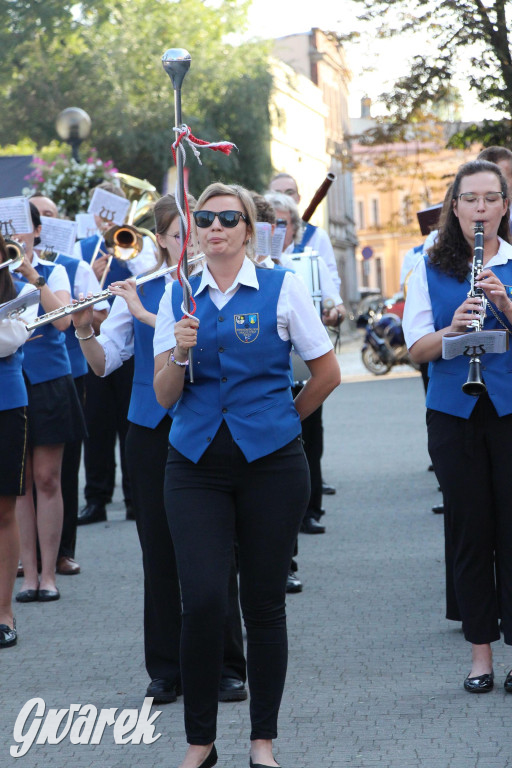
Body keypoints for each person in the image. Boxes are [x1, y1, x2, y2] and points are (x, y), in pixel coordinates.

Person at [153, 182, 340, 768]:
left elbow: (327, 372)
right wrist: (180, 353)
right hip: (195, 466)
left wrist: (282, 420)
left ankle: (263, 742)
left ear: (248, 229)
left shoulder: (282, 289)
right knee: (204, 599)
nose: (213, 227)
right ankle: (200, 743)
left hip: (273, 468)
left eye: (227, 218)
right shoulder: (176, 295)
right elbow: (164, 398)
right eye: (203, 218)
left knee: (263, 604)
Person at [71, 193, 247, 704]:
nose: (189, 242)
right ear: (163, 239)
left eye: (199, 230)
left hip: (208, 425)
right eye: (178, 235)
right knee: (159, 551)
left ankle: (227, 665)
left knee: (217, 550)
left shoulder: (223, 285)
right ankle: (166, 667)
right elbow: (104, 363)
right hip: (150, 431)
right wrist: (86, 329)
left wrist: (146, 313)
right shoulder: (144, 285)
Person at [403, 159, 512, 693]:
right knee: (471, 532)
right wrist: (453, 329)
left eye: (491, 198)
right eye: (470, 198)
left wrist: (503, 303)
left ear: (505, 206)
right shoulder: (427, 266)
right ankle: (480, 654)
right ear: (455, 206)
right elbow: (415, 348)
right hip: (454, 413)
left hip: (510, 411)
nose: (480, 208)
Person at [30, 194, 109, 575]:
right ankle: (26, 559)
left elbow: (74, 319)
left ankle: (61, 552)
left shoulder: (69, 265)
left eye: (46, 214)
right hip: (16, 378)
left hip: (65, 373)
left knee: (59, 471)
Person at [13, 202, 85, 603]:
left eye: (24, 230)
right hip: (11, 383)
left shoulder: (53, 269)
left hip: (49, 381)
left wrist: (30, 274)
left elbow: (63, 321)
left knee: (47, 478)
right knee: (19, 484)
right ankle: (27, 573)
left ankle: (49, 572)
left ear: (37, 233)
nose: (17, 238)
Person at [265, 191, 345, 534]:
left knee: (308, 440)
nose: (277, 230)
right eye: (270, 223)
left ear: (295, 227)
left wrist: (335, 311)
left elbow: (335, 302)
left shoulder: (310, 260)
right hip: (273, 370)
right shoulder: (253, 265)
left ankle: (309, 510)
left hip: (306, 367)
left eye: (283, 223)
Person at [0, 234, 37, 645]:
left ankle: (3, 611)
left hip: (5, 405)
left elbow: (9, 339)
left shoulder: (21, 292)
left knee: (3, 510)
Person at [268, 172, 341, 293]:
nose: (284, 198)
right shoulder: (258, 235)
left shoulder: (318, 236)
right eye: (277, 193)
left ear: (298, 198)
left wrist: (331, 305)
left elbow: (331, 278)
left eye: (289, 192)